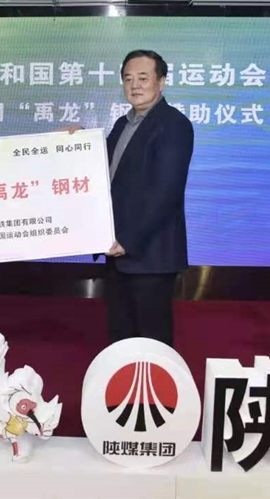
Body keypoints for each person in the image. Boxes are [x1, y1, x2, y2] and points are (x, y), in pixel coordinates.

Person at [102, 50, 194, 347]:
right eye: (128, 79)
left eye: (143, 78)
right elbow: (104, 174)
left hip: (150, 255)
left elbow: (165, 193)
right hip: (118, 253)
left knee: (151, 341)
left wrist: (127, 240)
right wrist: (74, 144)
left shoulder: (173, 124)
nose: (135, 85)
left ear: (161, 82)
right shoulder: (122, 124)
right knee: (120, 338)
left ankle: (153, 383)